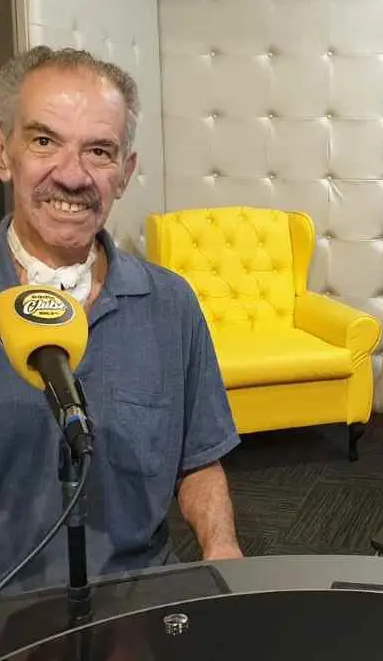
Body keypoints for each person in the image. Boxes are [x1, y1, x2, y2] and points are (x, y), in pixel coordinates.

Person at [0, 46, 242, 592]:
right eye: (44, 141)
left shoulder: (171, 303)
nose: (72, 175)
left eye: (99, 151)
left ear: (125, 173)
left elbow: (198, 461)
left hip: (136, 602)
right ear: (5, 152)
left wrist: (221, 545)